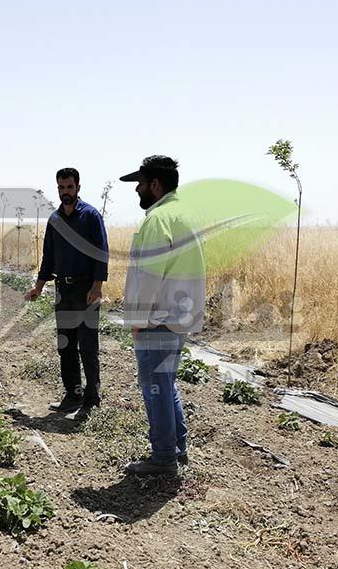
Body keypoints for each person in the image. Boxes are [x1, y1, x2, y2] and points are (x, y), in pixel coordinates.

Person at [119, 155, 206, 475]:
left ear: (155, 185)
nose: (137, 190)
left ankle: (164, 458)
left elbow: (149, 276)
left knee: (154, 386)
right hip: (179, 316)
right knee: (165, 383)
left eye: (140, 184)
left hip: (158, 318)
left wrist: (139, 321)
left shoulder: (158, 220)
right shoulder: (184, 215)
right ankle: (177, 447)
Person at [24, 167, 109, 415]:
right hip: (63, 290)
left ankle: (91, 401)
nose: (66, 192)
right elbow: (48, 256)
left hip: (86, 290)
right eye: (61, 188)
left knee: (88, 346)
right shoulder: (55, 220)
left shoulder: (91, 216)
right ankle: (73, 395)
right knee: (66, 345)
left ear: (78, 187)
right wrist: (39, 286)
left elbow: (101, 252)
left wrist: (97, 286)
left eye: (70, 187)